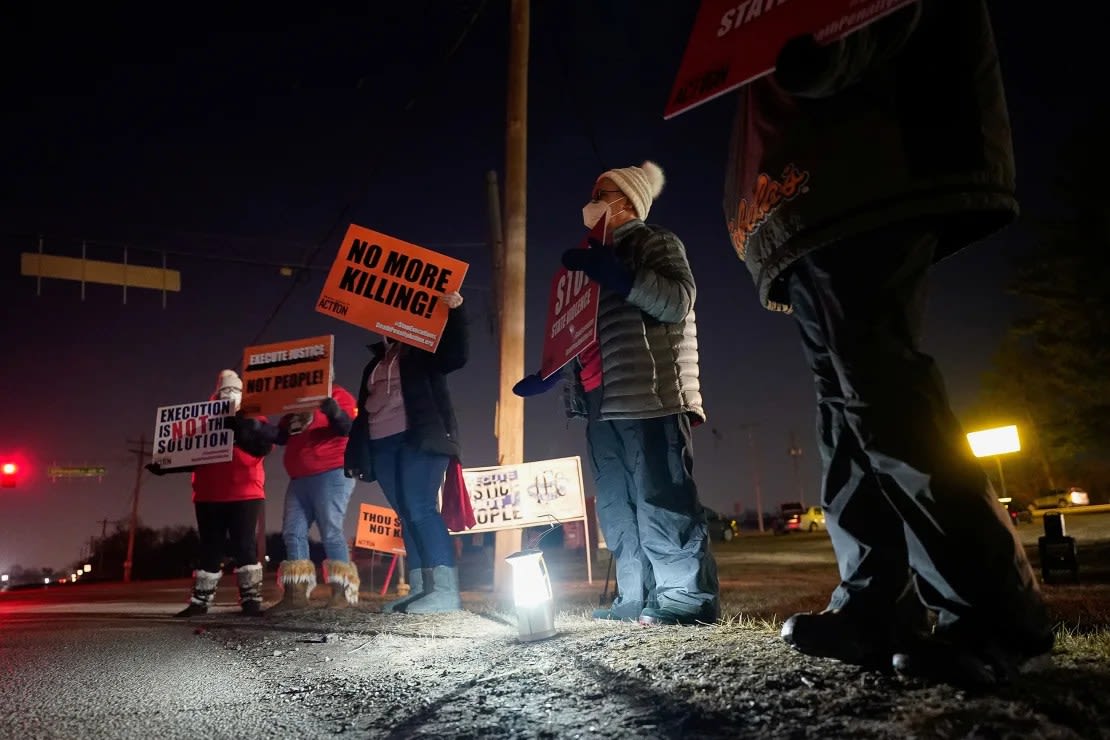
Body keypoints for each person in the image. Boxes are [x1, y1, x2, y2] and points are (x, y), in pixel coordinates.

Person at [721, 0, 1052, 686]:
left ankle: (992, 608)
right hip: (812, 190)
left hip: (867, 156)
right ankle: (876, 600)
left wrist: (833, 54)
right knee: (841, 407)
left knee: (879, 384)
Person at [515, 160, 719, 626]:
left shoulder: (655, 242)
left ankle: (685, 599)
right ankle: (635, 598)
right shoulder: (591, 260)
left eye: (601, 193)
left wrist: (622, 277)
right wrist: (551, 371)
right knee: (617, 505)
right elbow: (581, 333)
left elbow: (677, 300)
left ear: (627, 202)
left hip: (648, 393)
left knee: (660, 495)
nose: (591, 202)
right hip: (600, 403)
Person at [344, 291, 468, 614]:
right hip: (382, 443)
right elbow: (363, 412)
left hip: (420, 438)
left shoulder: (424, 350)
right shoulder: (375, 362)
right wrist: (358, 453)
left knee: (421, 507)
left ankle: (446, 592)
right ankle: (420, 588)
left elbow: (455, 356)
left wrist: (455, 313)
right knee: (405, 513)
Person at [147, 369, 272, 617]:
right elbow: (189, 454)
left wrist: (240, 429)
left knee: (244, 546)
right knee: (210, 548)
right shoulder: (202, 422)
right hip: (208, 495)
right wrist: (166, 465)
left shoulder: (256, 417)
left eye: (234, 392)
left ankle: (251, 600)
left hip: (245, 494)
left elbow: (263, 447)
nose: (229, 396)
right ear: (216, 395)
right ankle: (200, 602)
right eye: (225, 392)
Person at [265, 379, 360, 612]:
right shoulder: (298, 403)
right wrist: (252, 426)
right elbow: (282, 436)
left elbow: (348, 427)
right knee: (292, 532)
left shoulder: (339, 394)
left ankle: (342, 593)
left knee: (330, 529)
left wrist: (334, 411)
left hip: (331, 471)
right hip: (299, 478)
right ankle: (296, 595)